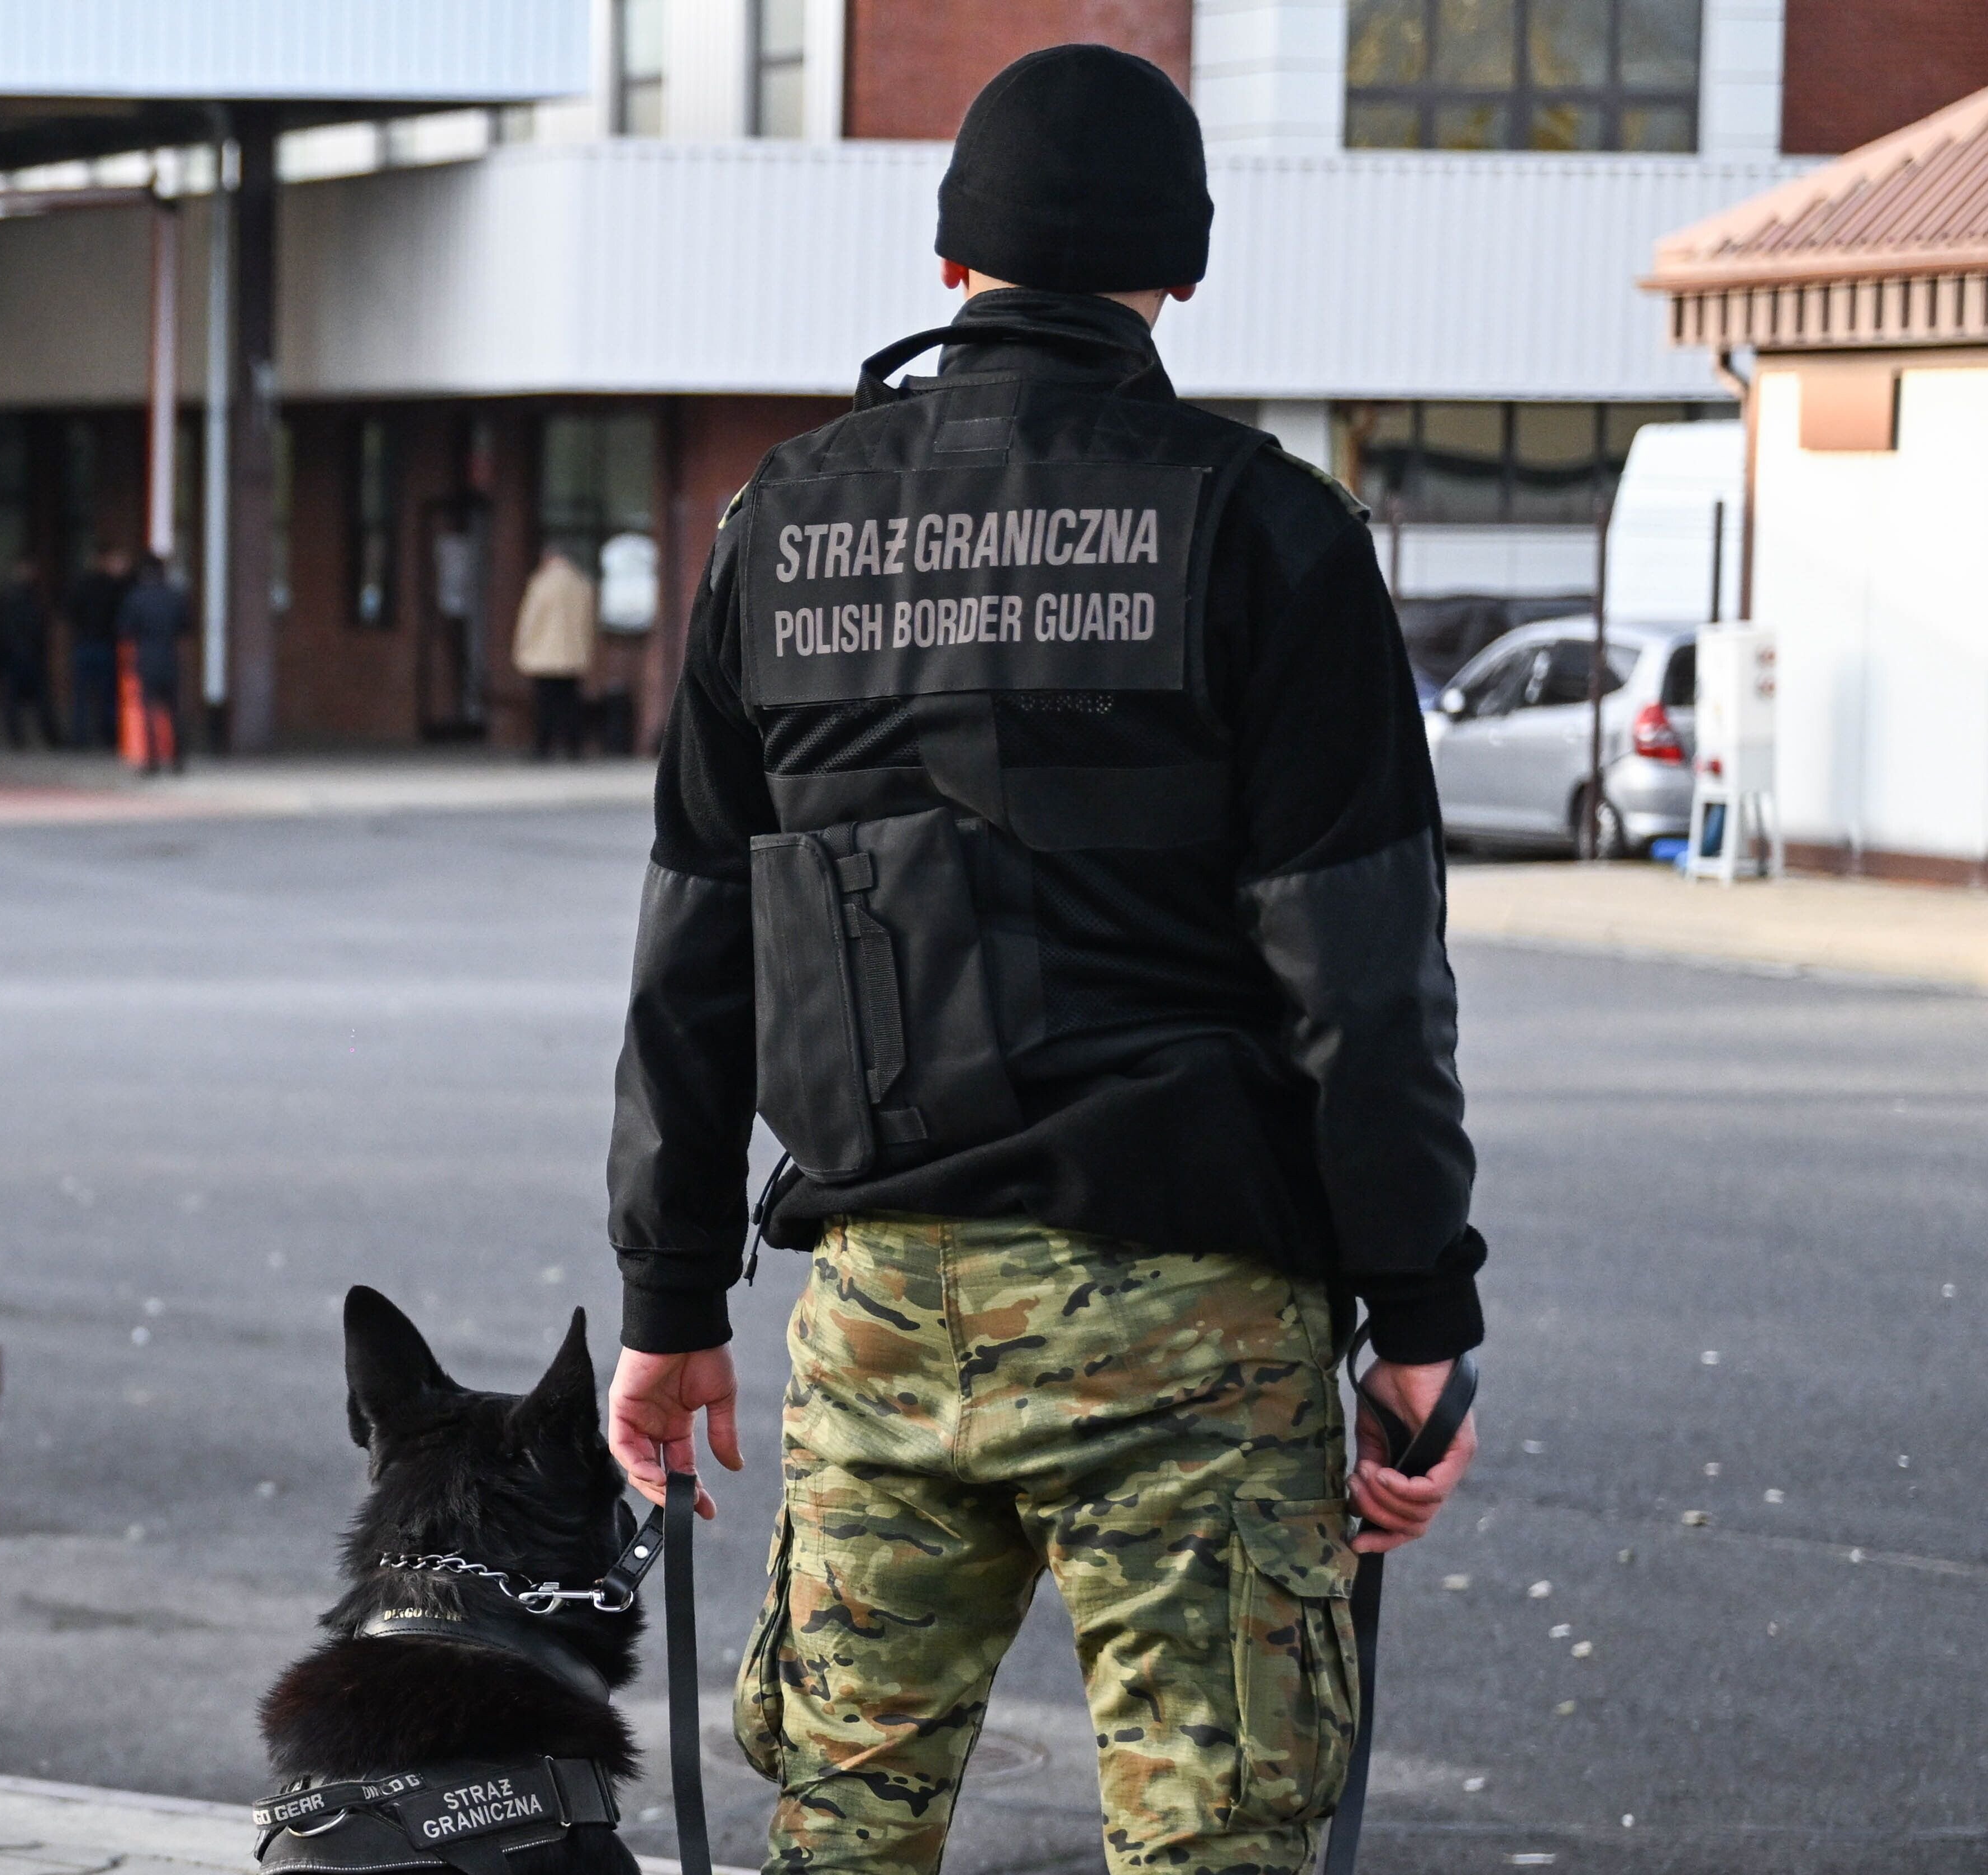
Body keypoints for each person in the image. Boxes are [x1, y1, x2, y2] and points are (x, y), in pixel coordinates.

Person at [595, 47, 1482, 1875]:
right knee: (1208, 1835)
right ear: (1175, 270)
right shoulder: (1266, 530)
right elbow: (1361, 983)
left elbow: (697, 939)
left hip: (882, 1308)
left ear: (949, 266)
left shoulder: (779, 522)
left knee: (834, 1834)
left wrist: (670, 1297)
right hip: (1193, 1315)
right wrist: (1416, 1321)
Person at [510, 541, 598, 761]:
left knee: (545, 704)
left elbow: (530, 620)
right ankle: (574, 748)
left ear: (548, 558)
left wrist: (522, 648)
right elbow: (589, 621)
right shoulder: (582, 583)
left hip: (545, 653)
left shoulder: (542, 584)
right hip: (573, 652)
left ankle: (543, 748)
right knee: (571, 702)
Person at [114, 554, 188, 775]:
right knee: (173, 710)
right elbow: (185, 627)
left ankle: (152, 761)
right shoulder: (176, 597)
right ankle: (177, 760)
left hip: (147, 658)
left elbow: (125, 629)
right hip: (170, 658)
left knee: (148, 711)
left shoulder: (137, 598)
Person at [0, 559, 58, 750]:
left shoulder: (25, 595)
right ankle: (28, 738)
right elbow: (2, 628)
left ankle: (39, 737)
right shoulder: (14, 597)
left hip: (24, 654)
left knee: (31, 700)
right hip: (16, 655)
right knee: (19, 700)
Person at [63, 544, 128, 754]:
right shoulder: (116, 586)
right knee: (108, 695)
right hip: (105, 646)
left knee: (82, 695)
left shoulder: (81, 584)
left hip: (84, 644)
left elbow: (71, 613)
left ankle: (80, 738)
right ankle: (109, 736)